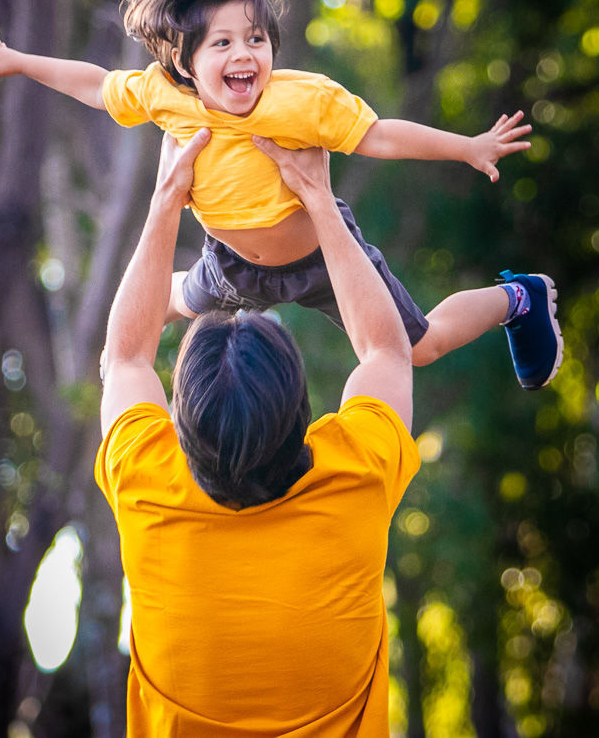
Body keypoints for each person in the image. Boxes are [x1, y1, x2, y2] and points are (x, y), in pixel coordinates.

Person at [0, 0, 561, 388]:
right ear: (185, 61)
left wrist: (467, 147)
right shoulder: (163, 94)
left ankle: (518, 299)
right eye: (222, 43)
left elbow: (379, 135)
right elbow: (95, 85)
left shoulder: (299, 101)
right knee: (171, 300)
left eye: (255, 38)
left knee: (419, 347)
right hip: (231, 266)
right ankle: (142, 336)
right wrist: (18, 61)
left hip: (323, 258)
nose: (244, 55)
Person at [97, 127, 417, 735]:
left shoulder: (146, 485)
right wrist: (319, 200)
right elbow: (390, 351)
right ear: (306, 418)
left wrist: (168, 196)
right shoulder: (354, 476)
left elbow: (125, 357)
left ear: (180, 426)